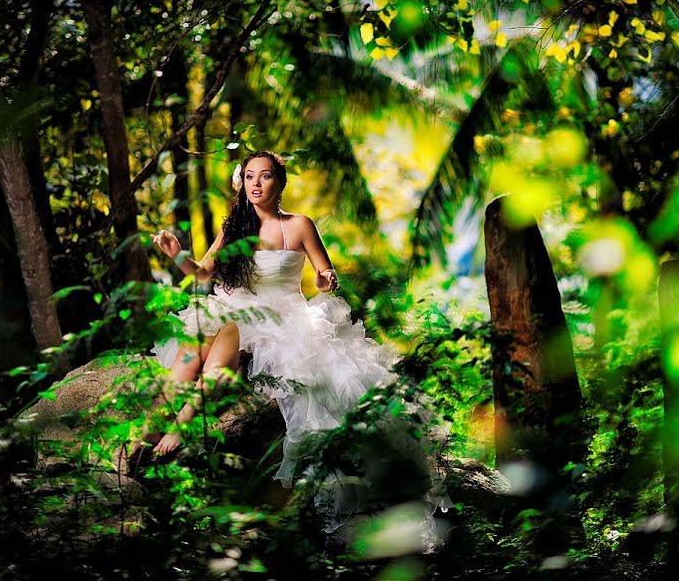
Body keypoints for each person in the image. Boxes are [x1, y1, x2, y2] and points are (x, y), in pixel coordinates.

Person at [145, 150, 451, 548]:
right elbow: (202, 272)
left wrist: (325, 279)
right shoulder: (235, 226)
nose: (256, 184)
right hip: (231, 305)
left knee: (230, 343)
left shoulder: (300, 224)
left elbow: (324, 275)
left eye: (265, 176)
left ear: (279, 182)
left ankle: (178, 426)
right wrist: (175, 254)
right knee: (192, 347)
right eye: (250, 176)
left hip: (282, 315)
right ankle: (151, 428)